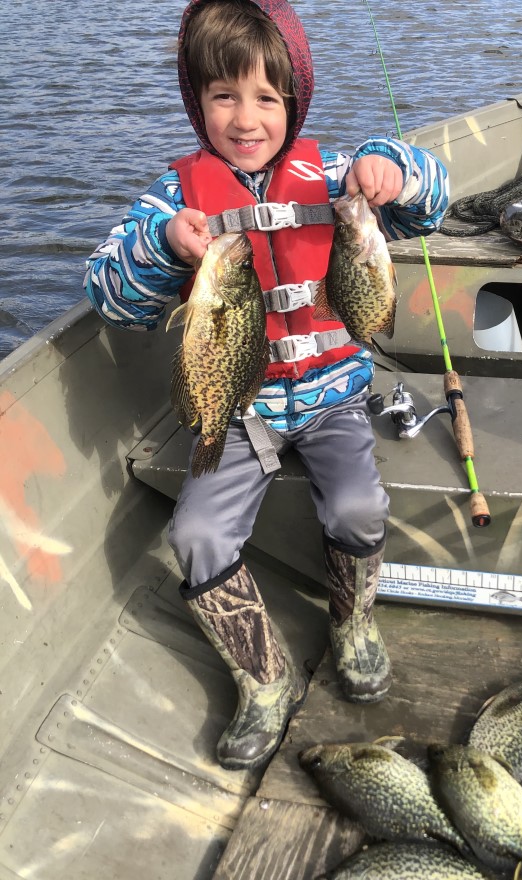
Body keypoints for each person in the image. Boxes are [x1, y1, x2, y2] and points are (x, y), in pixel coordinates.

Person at [84, 0, 449, 772]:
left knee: (358, 504)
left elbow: (433, 203)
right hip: (238, 408)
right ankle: (266, 680)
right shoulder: (172, 200)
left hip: (334, 395)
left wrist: (392, 168)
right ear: (198, 102)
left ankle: (353, 629)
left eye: (265, 99)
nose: (245, 118)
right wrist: (162, 246)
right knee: (196, 537)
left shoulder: (332, 173)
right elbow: (110, 295)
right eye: (222, 96)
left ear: (294, 101)